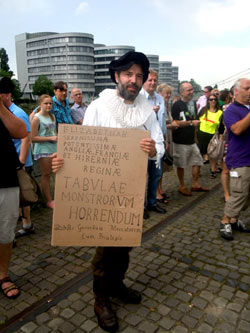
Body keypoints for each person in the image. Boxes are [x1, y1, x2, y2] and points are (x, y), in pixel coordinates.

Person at [52, 51, 164, 332]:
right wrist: (63, 162)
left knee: (125, 243)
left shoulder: (147, 111)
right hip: (103, 191)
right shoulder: (99, 107)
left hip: (131, 190)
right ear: (117, 76)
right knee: (105, 249)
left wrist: (153, 150)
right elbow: (83, 147)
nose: (134, 80)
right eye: (128, 74)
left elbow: (160, 145)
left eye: (139, 76)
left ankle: (116, 286)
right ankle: (101, 298)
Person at [0, 77, 27, 299]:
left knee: (5, 232)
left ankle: (3, 274)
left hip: (5, 179)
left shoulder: (6, 111)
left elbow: (21, 131)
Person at [0, 78, 34, 238]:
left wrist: (21, 161)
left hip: (20, 162)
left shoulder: (18, 113)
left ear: (7, 95)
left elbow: (26, 137)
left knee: (24, 194)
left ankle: (26, 224)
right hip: (15, 162)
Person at [219, 78, 250, 240]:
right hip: (239, 160)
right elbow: (237, 130)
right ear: (237, 92)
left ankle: (234, 219)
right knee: (239, 193)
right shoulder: (231, 110)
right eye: (247, 88)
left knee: (246, 195)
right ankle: (225, 221)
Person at [171, 82, 209, 196]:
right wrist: (191, 122)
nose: (191, 92)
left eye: (192, 90)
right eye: (189, 90)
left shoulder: (193, 103)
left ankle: (195, 184)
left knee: (197, 161)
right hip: (180, 140)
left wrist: (195, 136)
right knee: (181, 164)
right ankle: (182, 186)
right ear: (182, 92)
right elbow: (174, 122)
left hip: (192, 140)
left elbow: (195, 122)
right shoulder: (177, 105)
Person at [141, 69, 167, 213]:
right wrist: (149, 112)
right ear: (144, 81)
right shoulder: (138, 98)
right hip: (144, 142)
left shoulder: (160, 98)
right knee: (141, 176)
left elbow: (163, 121)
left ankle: (152, 202)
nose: (152, 83)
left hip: (158, 141)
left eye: (154, 80)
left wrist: (165, 139)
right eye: (149, 80)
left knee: (156, 175)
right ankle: (141, 206)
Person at [31, 95, 57, 209]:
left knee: (57, 174)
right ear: (40, 104)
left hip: (54, 149)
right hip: (43, 150)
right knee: (46, 174)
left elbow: (53, 132)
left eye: (50, 103)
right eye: (46, 103)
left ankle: (57, 196)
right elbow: (33, 138)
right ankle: (48, 200)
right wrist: (50, 138)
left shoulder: (52, 116)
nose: (49, 105)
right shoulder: (36, 118)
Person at [157, 83, 178, 202]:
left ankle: (160, 188)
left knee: (163, 167)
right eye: (166, 93)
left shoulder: (167, 106)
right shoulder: (159, 106)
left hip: (168, 138)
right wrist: (171, 125)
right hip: (162, 139)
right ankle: (157, 190)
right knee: (159, 167)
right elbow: (159, 125)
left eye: (170, 93)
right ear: (160, 93)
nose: (169, 96)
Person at [198, 93, 223, 178]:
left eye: (214, 99)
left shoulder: (220, 112)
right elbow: (197, 121)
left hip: (212, 135)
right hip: (201, 134)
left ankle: (213, 170)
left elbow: (221, 127)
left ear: (217, 101)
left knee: (212, 154)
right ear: (208, 101)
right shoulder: (203, 110)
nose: (213, 101)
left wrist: (220, 137)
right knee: (200, 153)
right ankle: (197, 170)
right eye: (211, 99)